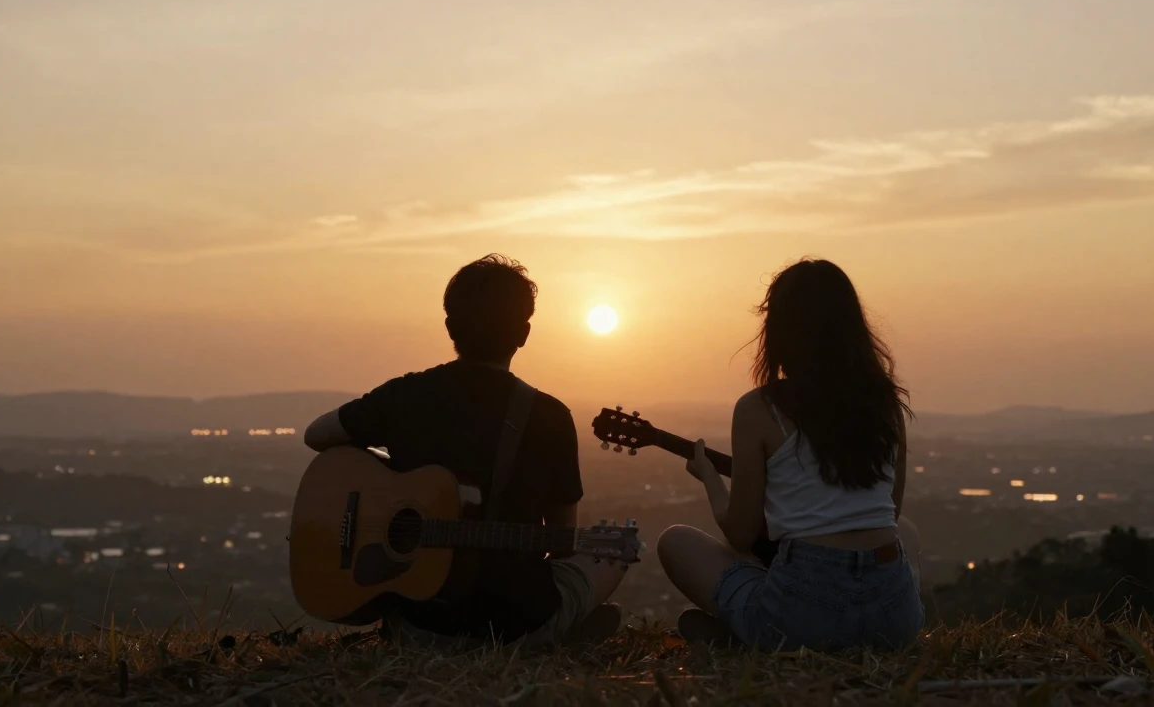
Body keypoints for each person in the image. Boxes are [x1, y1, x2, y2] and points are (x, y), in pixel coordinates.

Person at [303, 254, 625, 646]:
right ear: (523, 334)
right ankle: (561, 633)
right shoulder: (550, 416)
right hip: (517, 628)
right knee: (615, 551)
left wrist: (387, 481)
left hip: (418, 628)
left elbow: (317, 435)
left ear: (450, 326)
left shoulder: (404, 394)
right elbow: (561, 544)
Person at [657, 258, 924, 652]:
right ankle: (756, 637)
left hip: (805, 616)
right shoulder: (886, 404)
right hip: (895, 622)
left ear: (780, 331)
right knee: (907, 533)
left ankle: (751, 638)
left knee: (674, 542)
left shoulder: (758, 408)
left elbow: (741, 535)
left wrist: (710, 478)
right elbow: (891, 511)